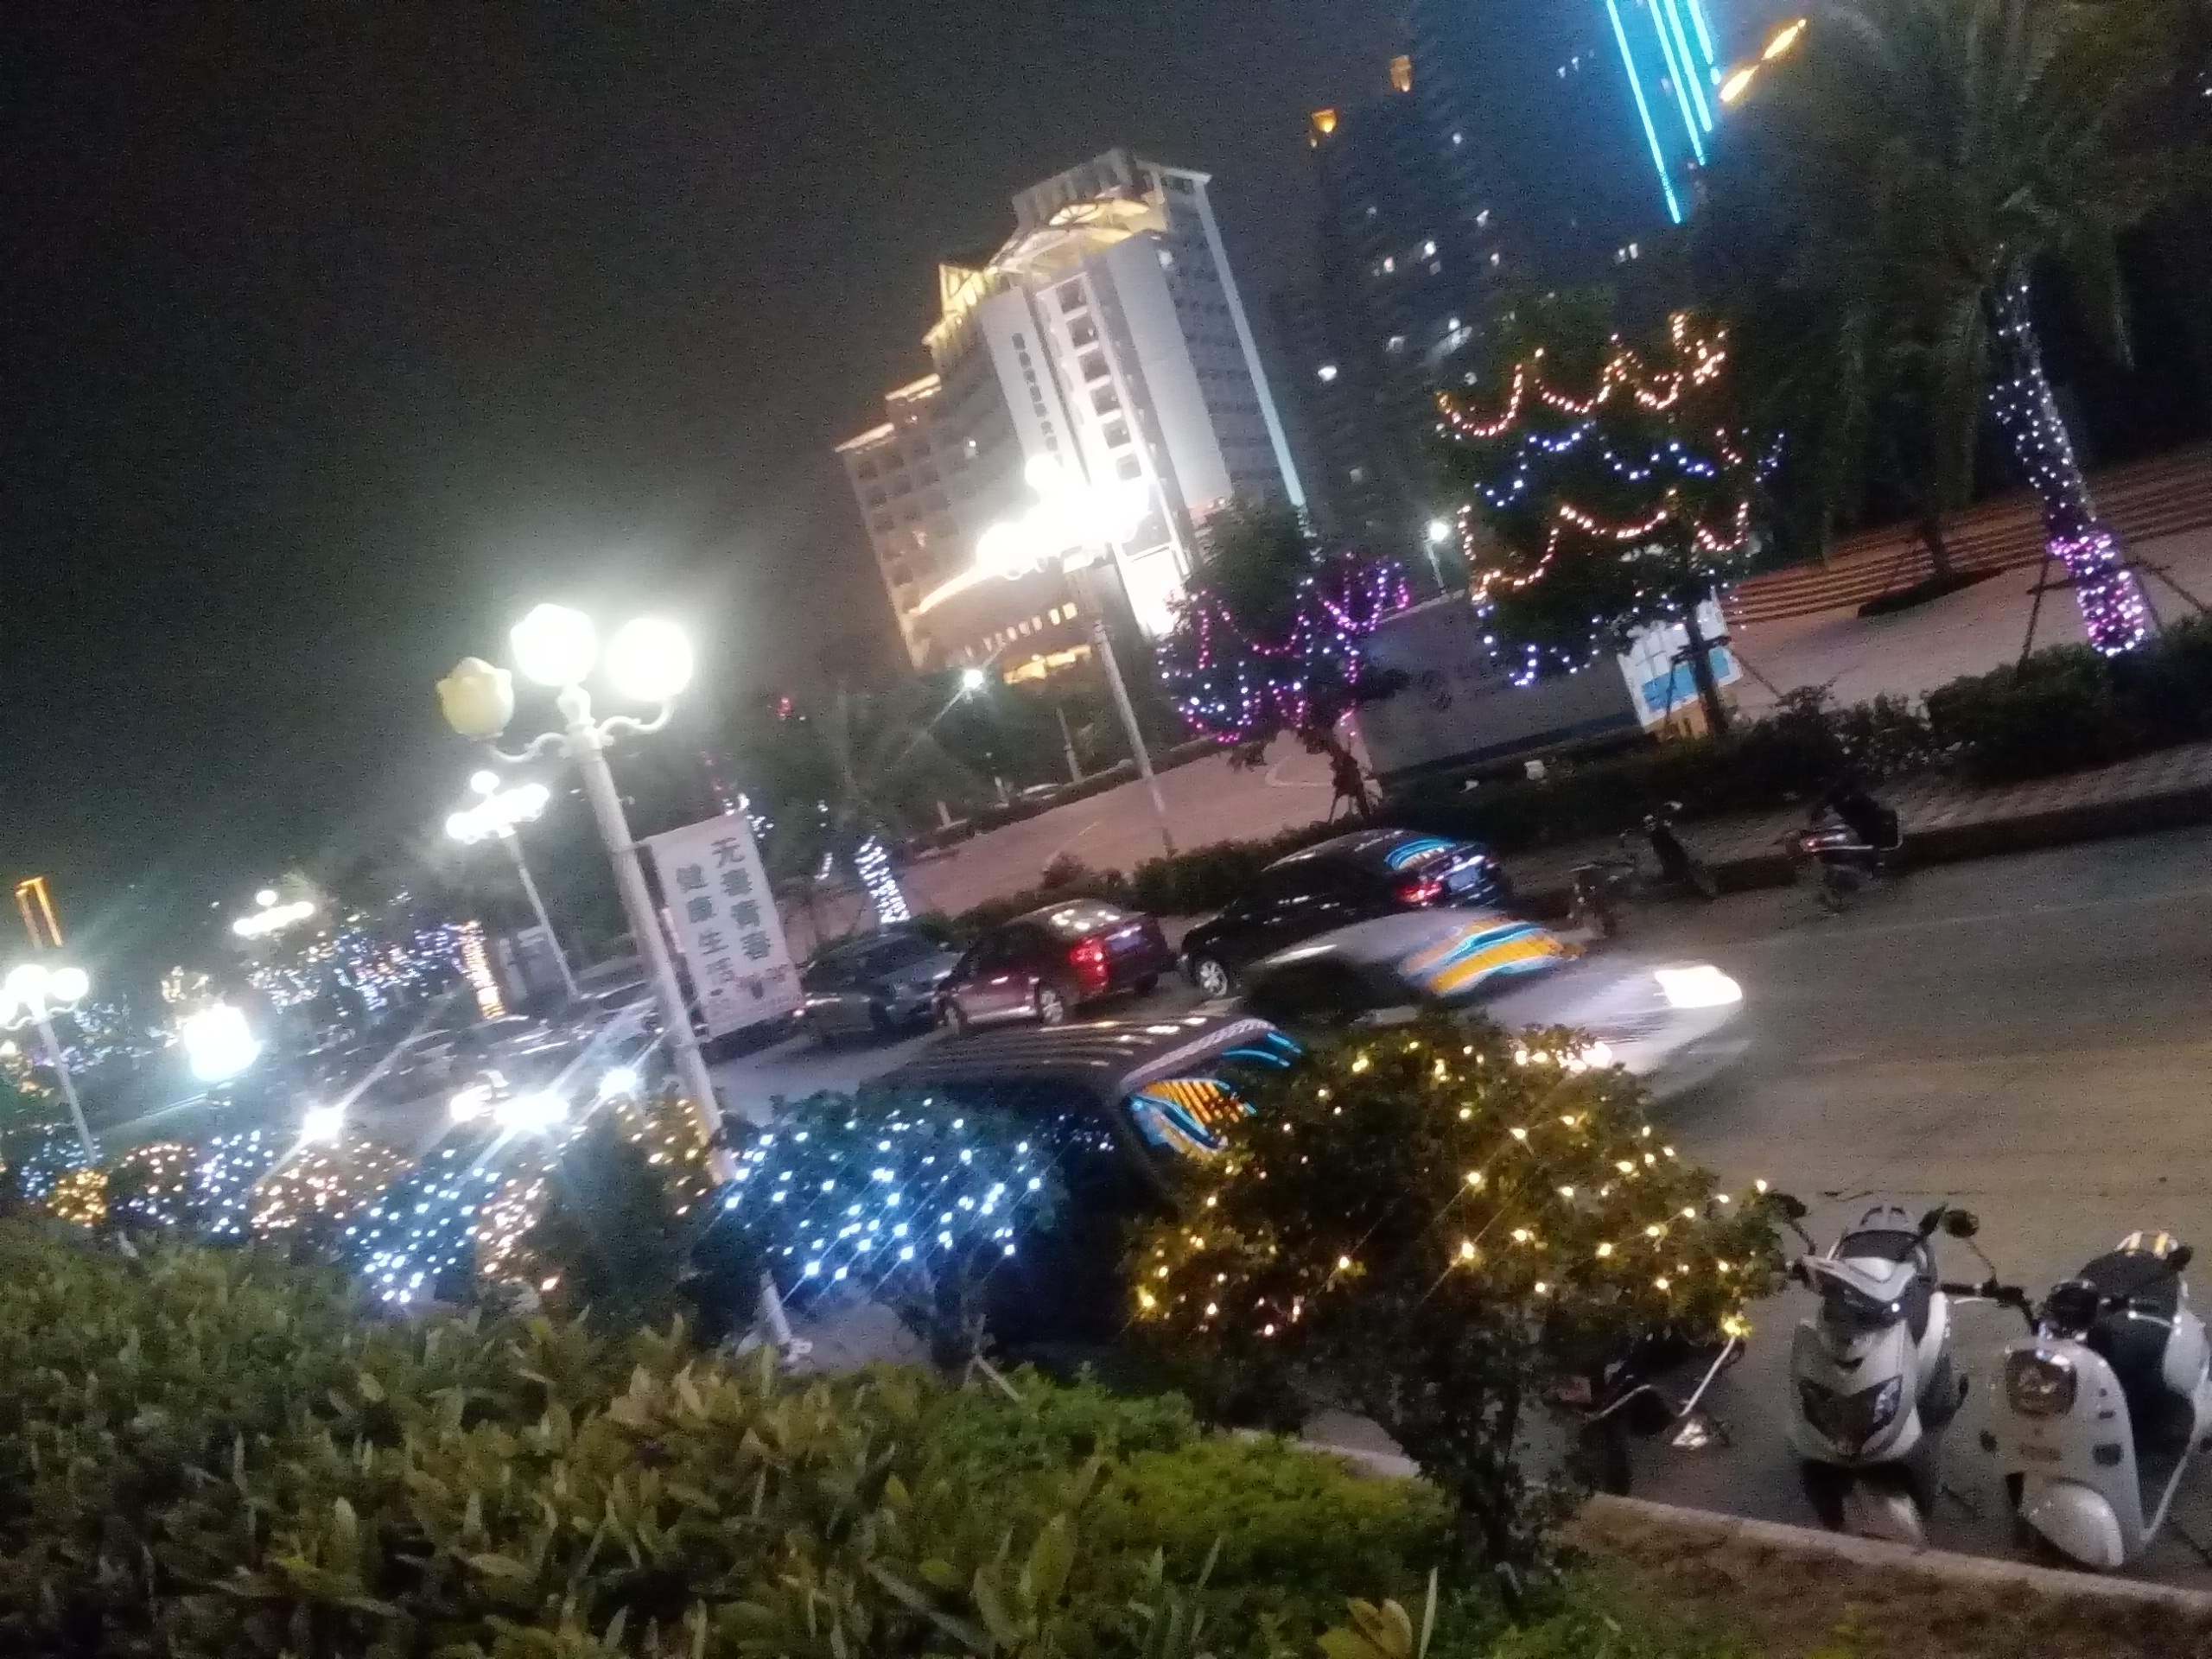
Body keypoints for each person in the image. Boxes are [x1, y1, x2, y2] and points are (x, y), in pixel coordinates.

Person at [1814, 777, 1899, 852]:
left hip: (1863, 820)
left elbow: (1871, 807)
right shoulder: (1847, 803)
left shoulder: (1854, 801)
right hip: (1861, 820)